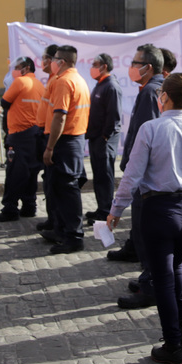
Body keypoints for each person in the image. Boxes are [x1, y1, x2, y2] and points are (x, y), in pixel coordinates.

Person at [108, 73, 182, 364]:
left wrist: (116, 210)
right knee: (176, 266)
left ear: (164, 97)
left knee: (162, 278)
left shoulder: (151, 128)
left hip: (160, 210)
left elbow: (132, 175)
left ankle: (173, 344)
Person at [109, 44, 164, 308]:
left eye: (135, 62)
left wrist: (133, 167)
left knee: (146, 231)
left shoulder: (151, 91)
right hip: (150, 175)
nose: (131, 66)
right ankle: (148, 278)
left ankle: (151, 284)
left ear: (149, 67)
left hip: (147, 177)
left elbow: (145, 137)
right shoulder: (153, 89)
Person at [40, 46, 91, 254]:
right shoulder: (78, 79)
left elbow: (59, 116)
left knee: (67, 191)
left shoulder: (64, 81)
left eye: (54, 59)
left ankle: (73, 236)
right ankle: (61, 230)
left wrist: (50, 147)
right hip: (73, 140)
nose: (51, 62)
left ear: (61, 61)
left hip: (65, 141)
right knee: (61, 189)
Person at [0, 56, 45, 222]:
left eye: (17, 67)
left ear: (26, 68)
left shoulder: (20, 82)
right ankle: (29, 206)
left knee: (14, 172)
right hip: (35, 132)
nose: (14, 70)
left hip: (19, 134)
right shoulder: (39, 84)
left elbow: (4, 102)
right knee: (30, 172)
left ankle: (10, 208)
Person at [85, 53, 122, 224]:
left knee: (105, 176)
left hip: (104, 140)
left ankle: (106, 210)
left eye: (95, 64)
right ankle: (101, 208)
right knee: (99, 176)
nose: (92, 67)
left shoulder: (111, 86)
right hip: (95, 138)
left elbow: (114, 116)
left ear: (104, 66)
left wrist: (105, 136)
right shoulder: (100, 85)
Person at [34, 45, 59, 232]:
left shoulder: (58, 81)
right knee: (49, 181)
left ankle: (57, 222)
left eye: (45, 58)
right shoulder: (51, 79)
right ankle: (52, 219)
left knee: (54, 183)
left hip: (53, 138)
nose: (42, 61)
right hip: (44, 133)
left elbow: (59, 114)